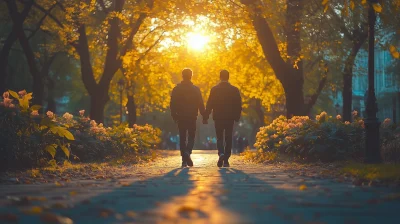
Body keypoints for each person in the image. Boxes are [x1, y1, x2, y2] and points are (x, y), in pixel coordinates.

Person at [204, 70, 242, 167]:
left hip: (218, 117)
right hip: (230, 117)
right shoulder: (234, 90)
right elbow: (238, 104)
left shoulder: (215, 89)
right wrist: (237, 116)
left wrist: (206, 115)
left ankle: (221, 153)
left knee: (219, 137)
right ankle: (226, 159)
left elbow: (210, 103)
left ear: (220, 77)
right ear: (228, 77)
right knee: (228, 137)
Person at [170, 68, 206, 167]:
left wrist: (174, 115)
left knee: (182, 137)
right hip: (192, 116)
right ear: (191, 76)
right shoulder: (196, 89)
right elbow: (200, 104)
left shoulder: (177, 89)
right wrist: (204, 115)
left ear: (182, 76)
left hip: (180, 116)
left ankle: (184, 160)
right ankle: (188, 152)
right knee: (191, 136)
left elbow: (172, 103)